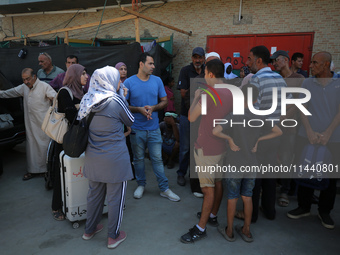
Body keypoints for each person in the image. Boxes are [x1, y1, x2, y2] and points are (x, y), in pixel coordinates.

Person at [213, 84, 282, 243]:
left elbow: (215, 131)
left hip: (234, 163)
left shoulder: (233, 115)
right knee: (248, 197)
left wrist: (229, 139)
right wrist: (258, 139)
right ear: (257, 99)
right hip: (252, 163)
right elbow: (279, 131)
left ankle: (229, 231)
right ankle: (246, 230)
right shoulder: (260, 116)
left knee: (232, 197)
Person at [79, 66, 134, 249]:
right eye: (117, 78)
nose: (119, 82)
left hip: (93, 158)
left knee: (94, 195)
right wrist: (121, 95)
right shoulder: (115, 101)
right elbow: (130, 121)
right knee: (115, 199)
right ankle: (113, 236)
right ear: (110, 80)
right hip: (115, 160)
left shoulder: (87, 99)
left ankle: (89, 229)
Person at [180, 59, 233, 243]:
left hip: (206, 149)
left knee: (207, 189)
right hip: (221, 147)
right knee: (217, 183)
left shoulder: (207, 94)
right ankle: (212, 215)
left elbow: (191, 117)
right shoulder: (230, 91)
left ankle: (200, 228)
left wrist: (196, 96)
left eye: (205, 74)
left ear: (211, 74)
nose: (203, 76)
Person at [287, 51, 340, 229]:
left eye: (315, 63)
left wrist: (328, 133)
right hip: (307, 135)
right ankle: (304, 206)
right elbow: (302, 108)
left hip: (332, 138)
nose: (310, 66)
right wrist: (309, 130)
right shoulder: (307, 82)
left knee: (330, 175)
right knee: (303, 168)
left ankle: (324, 211)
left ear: (326, 64)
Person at [124, 52, 180, 202]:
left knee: (157, 159)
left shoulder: (157, 81)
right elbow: (123, 105)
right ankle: (141, 185)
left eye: (153, 63)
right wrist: (139, 109)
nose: (153, 66)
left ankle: (164, 189)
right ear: (141, 64)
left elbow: (164, 101)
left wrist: (153, 108)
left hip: (154, 128)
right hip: (136, 129)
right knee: (139, 159)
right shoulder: (129, 83)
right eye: (150, 63)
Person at [243, 45, 288, 222]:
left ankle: (251, 215)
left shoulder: (256, 80)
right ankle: (270, 211)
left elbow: (252, 111)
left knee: (254, 177)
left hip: (259, 135)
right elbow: (286, 106)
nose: (247, 63)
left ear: (258, 60)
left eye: (249, 59)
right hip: (275, 134)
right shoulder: (280, 79)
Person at [0, 68, 56, 180]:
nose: (26, 82)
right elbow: (9, 93)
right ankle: (33, 171)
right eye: (24, 79)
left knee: (44, 147)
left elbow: (56, 98)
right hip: (30, 125)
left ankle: (47, 171)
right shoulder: (24, 87)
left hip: (43, 124)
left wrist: (53, 115)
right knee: (32, 149)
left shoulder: (44, 86)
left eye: (28, 79)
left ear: (34, 77)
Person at [51, 64, 88, 221]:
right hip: (66, 139)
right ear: (75, 75)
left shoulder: (81, 91)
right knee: (62, 172)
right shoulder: (65, 92)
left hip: (77, 137)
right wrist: (84, 108)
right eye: (83, 73)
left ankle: (76, 203)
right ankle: (56, 206)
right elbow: (72, 115)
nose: (86, 76)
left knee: (75, 172)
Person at [271, 50, 305, 207]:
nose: (274, 63)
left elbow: (299, 103)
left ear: (285, 60)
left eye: (276, 60)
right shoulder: (276, 79)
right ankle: (271, 188)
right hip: (273, 127)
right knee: (271, 158)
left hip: (289, 128)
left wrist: (282, 118)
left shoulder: (299, 79)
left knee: (286, 159)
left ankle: (284, 190)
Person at [176, 47, 205, 188]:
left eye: (200, 57)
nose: (197, 60)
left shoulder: (207, 71)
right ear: (192, 58)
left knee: (199, 147)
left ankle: (195, 176)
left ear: (204, 58)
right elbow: (183, 94)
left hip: (203, 116)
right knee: (185, 147)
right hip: (186, 115)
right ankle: (181, 173)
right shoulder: (185, 71)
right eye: (195, 57)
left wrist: (194, 92)